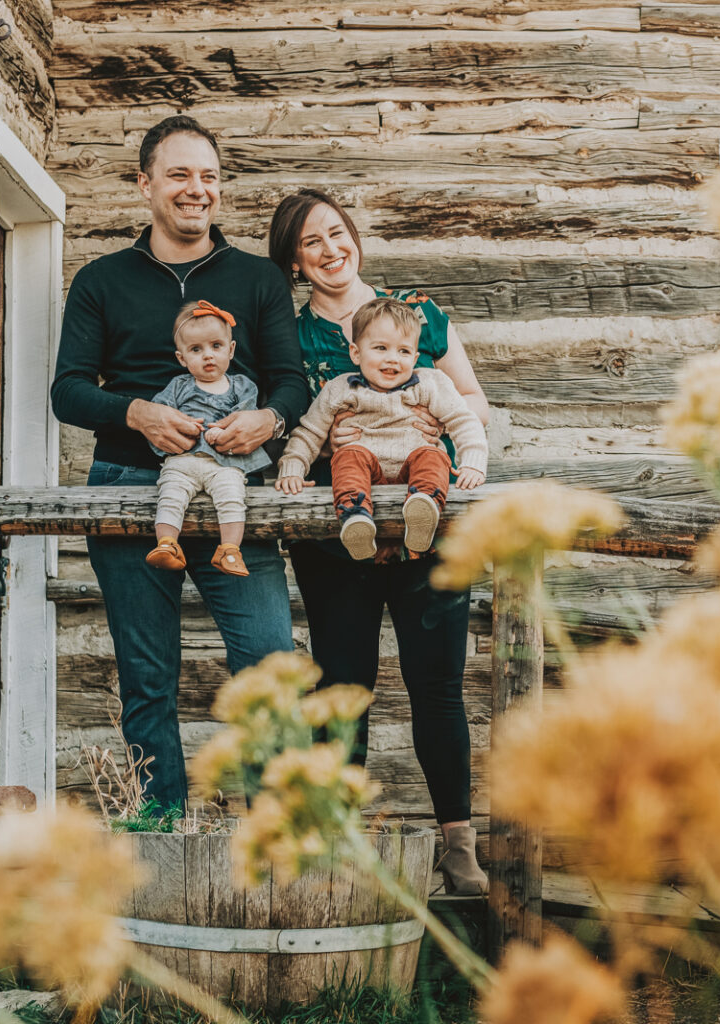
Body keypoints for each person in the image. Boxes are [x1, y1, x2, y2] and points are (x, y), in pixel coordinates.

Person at [52, 115, 308, 812]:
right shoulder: (101, 280)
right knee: (147, 676)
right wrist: (138, 412)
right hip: (131, 492)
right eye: (179, 174)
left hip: (239, 491)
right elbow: (67, 390)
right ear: (145, 185)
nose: (198, 190)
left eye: (209, 177)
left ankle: (273, 841)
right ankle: (160, 835)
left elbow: (290, 380)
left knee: (267, 663)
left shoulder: (257, 278)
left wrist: (269, 418)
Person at [267, 188, 492, 894]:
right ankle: (343, 847)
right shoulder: (293, 336)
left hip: (431, 525)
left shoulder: (417, 314)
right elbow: (291, 422)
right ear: (295, 262)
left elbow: (472, 400)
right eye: (312, 243)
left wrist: (437, 439)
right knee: (344, 687)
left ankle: (459, 847)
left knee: (437, 686)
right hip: (340, 541)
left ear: (354, 235)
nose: (331, 250)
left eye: (338, 233)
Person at [275, 297, 487, 560]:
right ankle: (355, 517)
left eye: (404, 351)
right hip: (365, 474)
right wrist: (293, 467)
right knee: (348, 456)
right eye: (380, 348)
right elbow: (309, 433)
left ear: (416, 357)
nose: (392, 360)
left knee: (433, 456)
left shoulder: (429, 384)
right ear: (356, 353)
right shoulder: (341, 389)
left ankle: (424, 508)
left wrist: (473, 461)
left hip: (415, 472)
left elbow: (463, 420)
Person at [146, 300, 272, 576]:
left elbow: (245, 416)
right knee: (170, 495)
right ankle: (167, 543)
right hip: (184, 459)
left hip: (224, 463)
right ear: (181, 358)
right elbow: (161, 416)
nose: (208, 356)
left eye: (216, 346)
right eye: (196, 349)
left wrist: (223, 431)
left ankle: (229, 550)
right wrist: (180, 425)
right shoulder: (178, 386)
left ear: (231, 349)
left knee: (232, 497)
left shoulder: (242, 386)